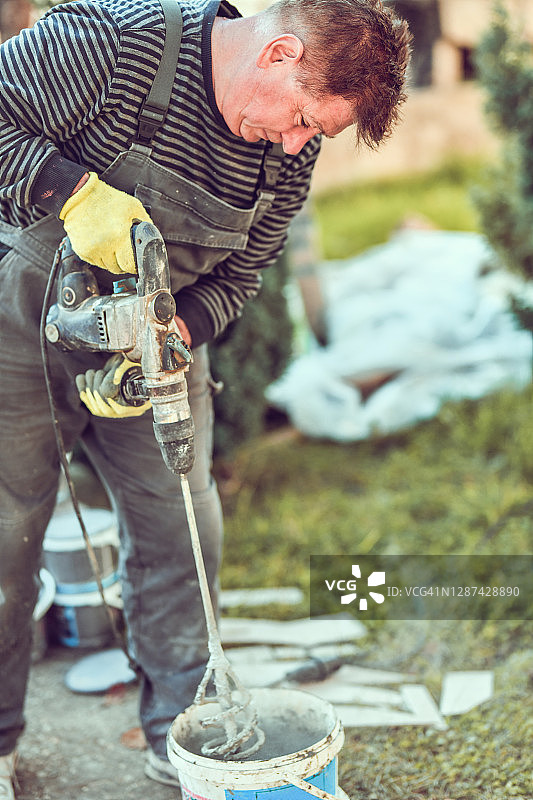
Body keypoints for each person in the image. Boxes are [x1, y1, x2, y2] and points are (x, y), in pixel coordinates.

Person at [0, 0, 411, 794]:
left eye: (314, 136)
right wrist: (73, 194)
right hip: (17, 325)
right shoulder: (115, 43)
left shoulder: (285, 153)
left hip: (152, 340)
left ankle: (186, 735)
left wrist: (175, 333)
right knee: (5, 533)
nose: (299, 146)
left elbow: (242, 274)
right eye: (300, 120)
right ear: (279, 51)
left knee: (181, 529)